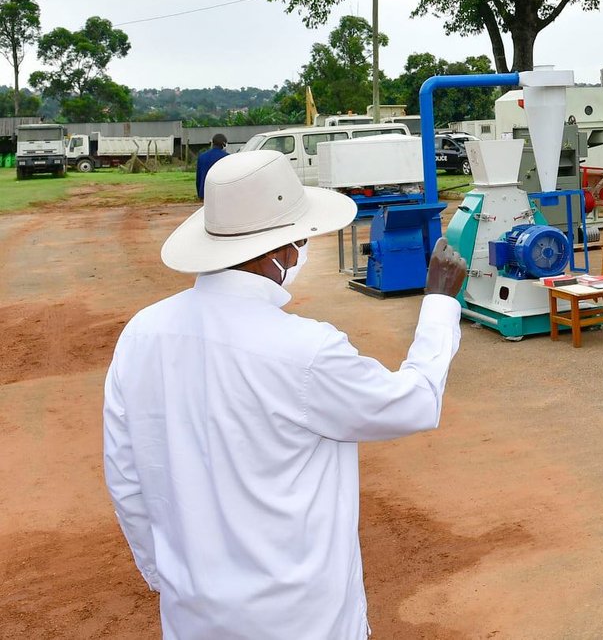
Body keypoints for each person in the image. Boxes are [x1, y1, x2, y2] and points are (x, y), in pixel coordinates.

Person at [103, 149, 469, 639]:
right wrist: (441, 302)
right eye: (300, 236)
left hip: (193, 619)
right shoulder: (305, 351)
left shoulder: (142, 335)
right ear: (283, 250)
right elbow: (416, 401)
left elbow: (126, 480)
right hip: (304, 620)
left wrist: (167, 578)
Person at [194, 133, 228, 199]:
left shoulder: (202, 156)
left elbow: (198, 177)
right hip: (220, 193)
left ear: (212, 143)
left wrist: (199, 194)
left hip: (205, 192)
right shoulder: (226, 157)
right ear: (224, 144)